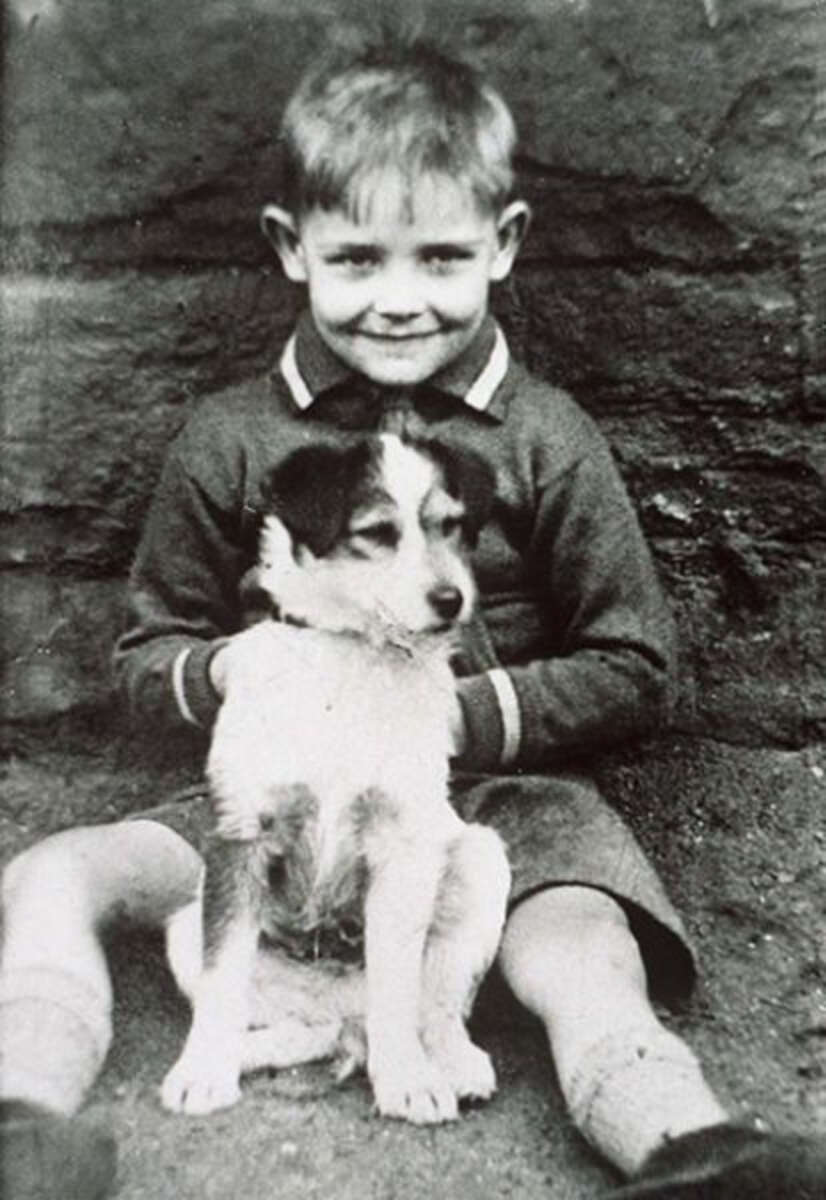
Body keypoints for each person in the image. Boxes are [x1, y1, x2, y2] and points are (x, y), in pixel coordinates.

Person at [1, 35, 823, 1200]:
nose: (399, 298)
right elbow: (148, 649)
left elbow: (636, 662)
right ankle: (24, 1119)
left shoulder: (543, 435)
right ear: (293, 250)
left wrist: (465, 717)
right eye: (357, 259)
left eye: (440, 256)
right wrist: (223, 672)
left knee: (583, 938)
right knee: (56, 872)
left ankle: (686, 1143)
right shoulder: (235, 438)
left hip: (491, 799)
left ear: (504, 243)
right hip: (268, 799)